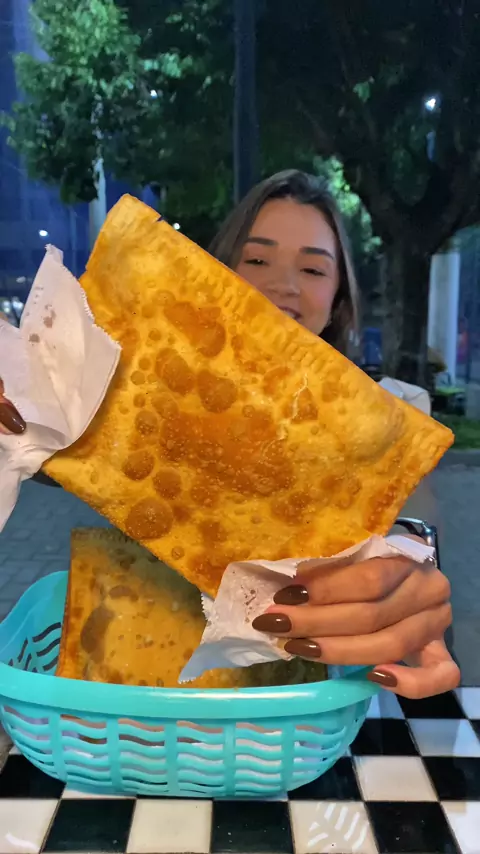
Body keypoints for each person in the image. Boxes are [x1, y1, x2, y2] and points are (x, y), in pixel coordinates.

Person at [0, 170, 459, 699]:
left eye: (313, 268)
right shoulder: (128, 381)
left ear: (339, 300)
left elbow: (410, 537)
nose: (283, 284)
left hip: (285, 721)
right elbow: (60, 444)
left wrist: (410, 568)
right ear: (216, 270)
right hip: (129, 708)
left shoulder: (372, 436)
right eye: (257, 260)